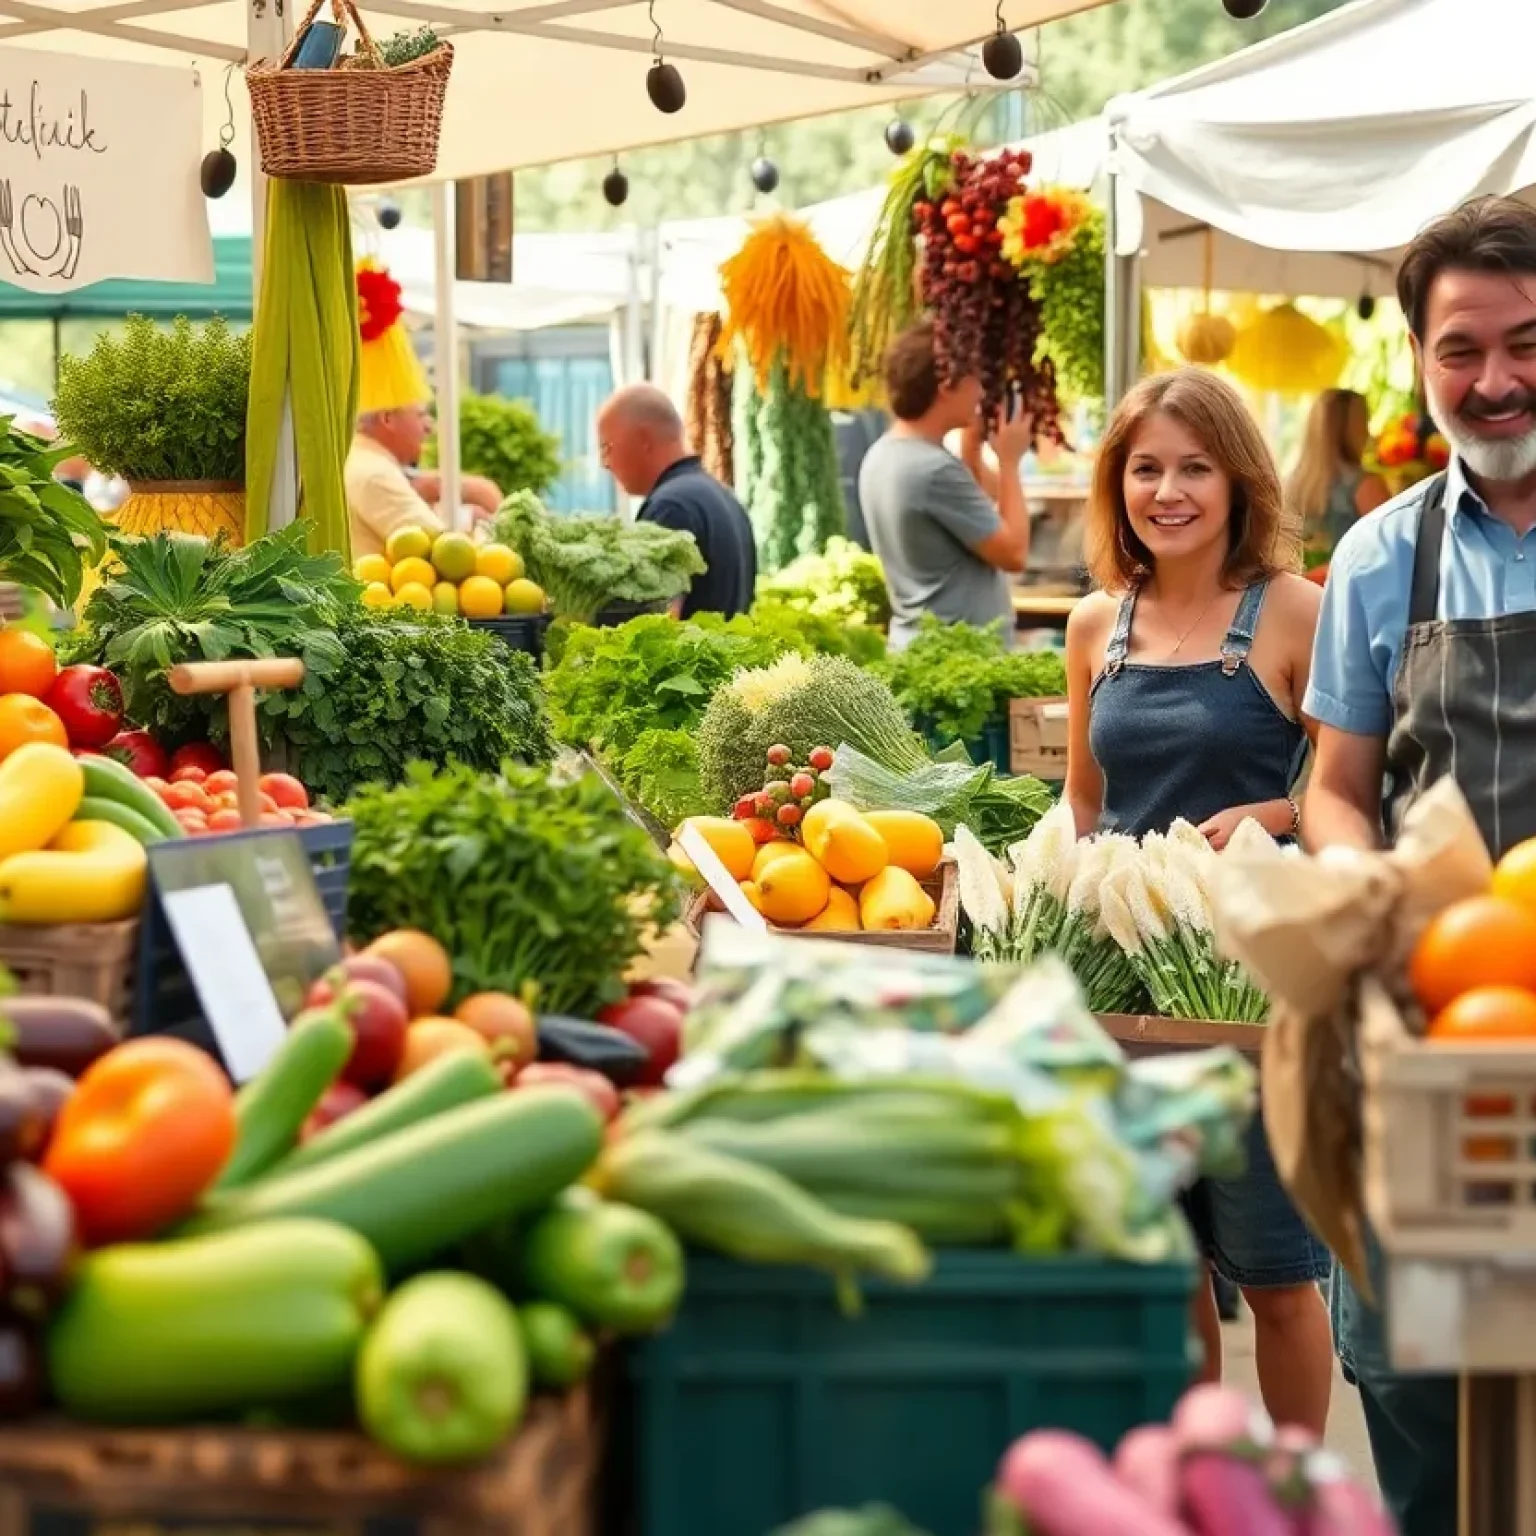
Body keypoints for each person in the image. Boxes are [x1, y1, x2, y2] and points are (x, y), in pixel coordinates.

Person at [1302, 194, 1536, 1536]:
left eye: (1527, 342)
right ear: (1419, 359)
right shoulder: (1382, 555)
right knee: (1432, 1401)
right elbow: (1334, 791)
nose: (1495, 381)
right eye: (1462, 349)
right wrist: (1366, 885)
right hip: (1445, 1035)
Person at [1062, 367, 1332, 1437]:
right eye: (1145, 469)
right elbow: (1084, 803)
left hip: (1244, 994)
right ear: (1116, 484)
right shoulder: (1096, 625)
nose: (1167, 491)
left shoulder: (1293, 613)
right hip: (1127, 995)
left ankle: (1301, 1486)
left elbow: (1356, 786)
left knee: (1273, 1275)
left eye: (1193, 467)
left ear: (1237, 482)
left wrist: (1277, 813)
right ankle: (1193, 1484)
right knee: (1166, 1271)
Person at [858, 320, 1033, 649]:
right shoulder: (932, 470)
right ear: (946, 385)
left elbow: (977, 516)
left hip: (922, 645)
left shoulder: (884, 454)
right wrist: (1010, 461)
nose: (980, 393)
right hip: (960, 656)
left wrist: (971, 449)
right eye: (974, 380)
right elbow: (1014, 552)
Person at [345, 260, 501, 559]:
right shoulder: (374, 473)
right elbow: (443, 553)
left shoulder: (365, 462)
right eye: (420, 415)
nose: (429, 425)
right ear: (387, 418)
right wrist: (476, 522)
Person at [597, 383, 756, 620]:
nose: (605, 463)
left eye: (607, 448)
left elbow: (657, 624)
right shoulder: (723, 496)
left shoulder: (670, 508)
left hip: (693, 656)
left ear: (643, 440)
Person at [1286, 388, 1390, 553]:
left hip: (1304, 577)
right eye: (1364, 422)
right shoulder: (1365, 485)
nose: (1368, 433)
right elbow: (1392, 547)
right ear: (1353, 429)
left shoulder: (1290, 486)